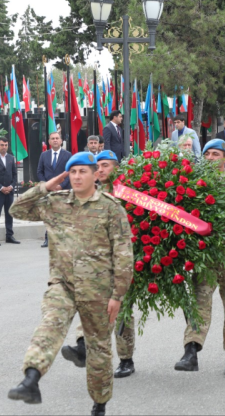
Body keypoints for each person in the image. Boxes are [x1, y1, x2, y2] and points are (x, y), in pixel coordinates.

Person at [7, 152, 133, 416]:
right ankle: (31, 379)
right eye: (72, 172)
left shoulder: (111, 208)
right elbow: (16, 209)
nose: (76, 177)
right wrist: (45, 187)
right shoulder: (55, 202)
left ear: (95, 174)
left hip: (98, 291)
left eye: (82, 172)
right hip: (62, 285)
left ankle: (100, 404)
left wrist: (117, 295)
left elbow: (123, 255)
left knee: (98, 351)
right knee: (50, 325)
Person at [60, 150, 137, 380]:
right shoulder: (89, 192)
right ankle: (83, 346)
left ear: (115, 168)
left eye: (105, 166)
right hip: (93, 266)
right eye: (98, 167)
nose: (101, 170)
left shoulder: (127, 194)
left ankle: (126, 358)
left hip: (121, 263)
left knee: (121, 312)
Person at [175, 139, 225, 376]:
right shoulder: (195, 184)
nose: (209, 158)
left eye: (215, 154)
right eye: (206, 154)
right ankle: (191, 351)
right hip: (205, 257)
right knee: (199, 303)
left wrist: (206, 220)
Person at [37, 132, 72, 248]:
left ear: (61, 141)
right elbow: (39, 172)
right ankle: (48, 239)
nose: (55, 140)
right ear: (49, 141)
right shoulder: (44, 155)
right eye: (53, 139)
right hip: (49, 191)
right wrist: (47, 185)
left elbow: (70, 173)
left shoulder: (67, 155)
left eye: (57, 138)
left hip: (63, 190)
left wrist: (61, 186)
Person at [0, 138, 20, 246]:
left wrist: (11, 186)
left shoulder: (11, 158)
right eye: (2, 145)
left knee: (9, 213)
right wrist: (1, 187)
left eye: (6, 145)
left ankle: (9, 236)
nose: (4, 147)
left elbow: (14, 174)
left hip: (9, 191)